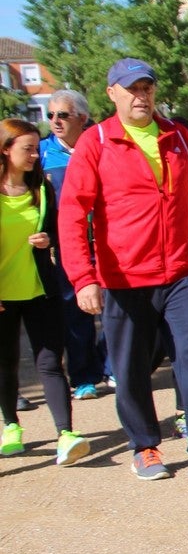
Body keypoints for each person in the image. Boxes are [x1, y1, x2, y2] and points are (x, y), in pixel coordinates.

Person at [58, 57, 188, 481]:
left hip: (180, 272)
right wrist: (83, 277)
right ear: (113, 94)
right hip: (124, 277)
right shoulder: (96, 141)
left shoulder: (177, 137)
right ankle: (144, 446)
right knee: (130, 367)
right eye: (131, 89)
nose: (140, 96)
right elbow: (72, 214)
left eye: (146, 88)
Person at [0, 119, 89, 465]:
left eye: (37, 148)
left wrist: (47, 239)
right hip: (5, 295)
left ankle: (65, 434)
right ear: (6, 149)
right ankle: (10, 424)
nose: (35, 155)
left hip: (41, 289)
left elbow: (57, 229)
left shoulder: (43, 189)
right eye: (28, 148)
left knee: (51, 362)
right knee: (6, 364)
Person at [40, 89, 109, 400]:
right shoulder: (42, 154)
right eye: (50, 115)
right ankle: (83, 377)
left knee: (115, 310)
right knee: (76, 312)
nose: (55, 121)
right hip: (68, 245)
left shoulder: (102, 145)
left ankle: (112, 367)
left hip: (108, 243)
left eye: (62, 115)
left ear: (82, 118)